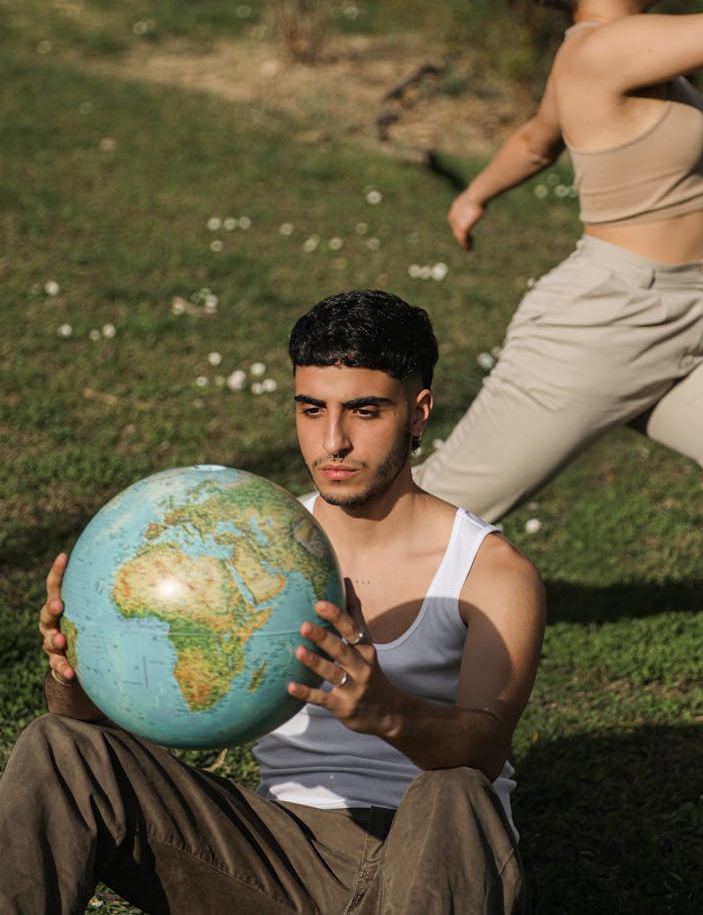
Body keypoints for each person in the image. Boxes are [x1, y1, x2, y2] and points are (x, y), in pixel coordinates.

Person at [0, 289, 545, 915]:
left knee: (454, 794)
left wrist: (389, 710)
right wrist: (73, 670)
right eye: (312, 409)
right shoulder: (252, 541)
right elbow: (87, 716)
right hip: (279, 856)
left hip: (429, 861)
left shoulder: (490, 571)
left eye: (364, 412)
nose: (332, 441)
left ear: (418, 413)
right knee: (60, 746)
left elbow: (485, 748)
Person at [414, 0, 703, 524]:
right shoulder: (604, 51)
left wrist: (474, 195)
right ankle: (243, 569)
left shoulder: (604, 58)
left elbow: (539, 141)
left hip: (697, 319)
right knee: (435, 515)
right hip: (609, 320)